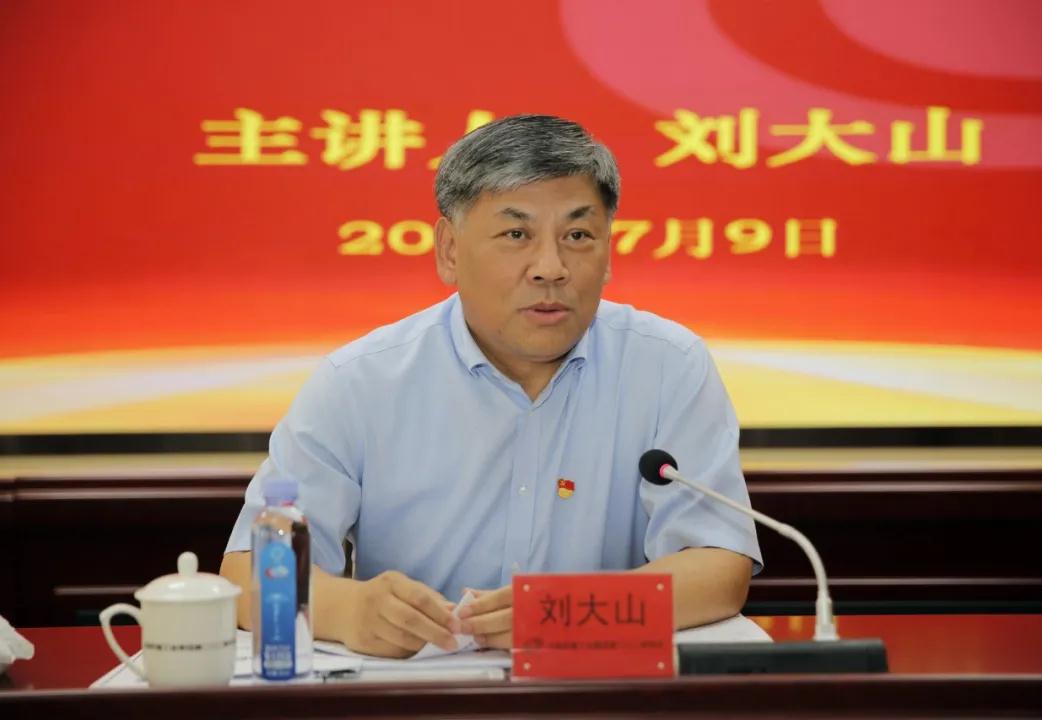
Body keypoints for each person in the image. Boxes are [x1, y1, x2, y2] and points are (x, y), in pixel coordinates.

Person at [219, 114, 762, 658]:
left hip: (596, 686)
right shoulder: (362, 381)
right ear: (450, 250)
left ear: (608, 251)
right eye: (516, 235)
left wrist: (567, 612)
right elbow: (246, 571)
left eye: (577, 235)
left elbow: (719, 565)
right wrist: (347, 609)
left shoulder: (668, 366)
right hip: (417, 687)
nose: (550, 268)